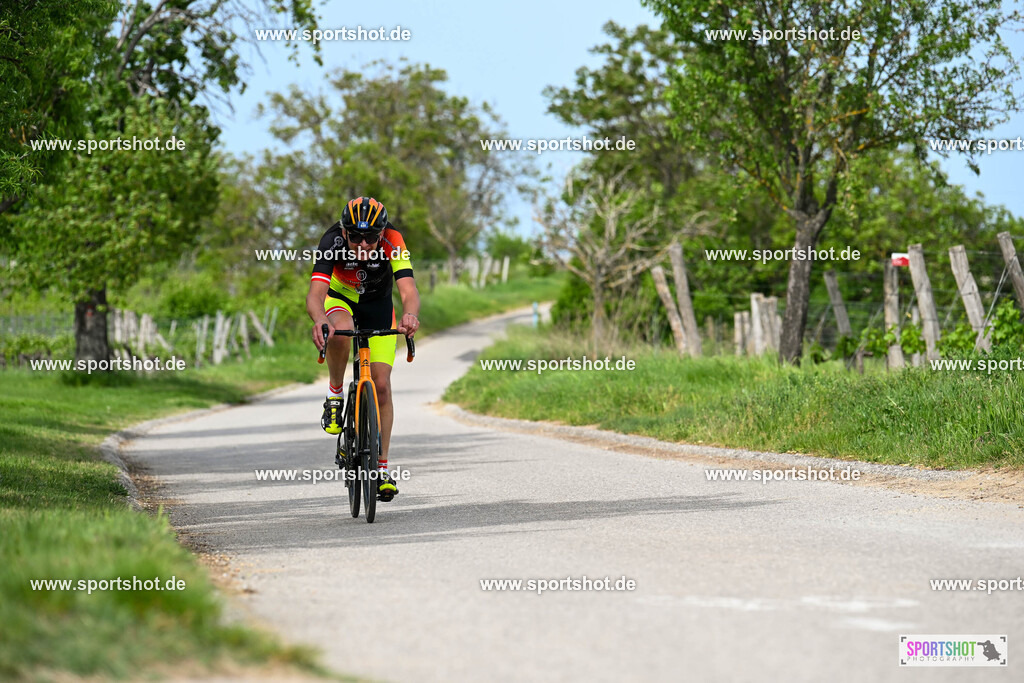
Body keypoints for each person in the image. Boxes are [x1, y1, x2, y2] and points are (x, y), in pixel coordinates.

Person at [306, 196, 420, 501]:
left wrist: (410, 315)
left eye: (370, 237)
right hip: (341, 299)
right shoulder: (331, 240)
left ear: (381, 234)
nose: (363, 244)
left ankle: (381, 469)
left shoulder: (394, 240)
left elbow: (408, 290)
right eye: (355, 236)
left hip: (378, 306)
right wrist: (319, 321)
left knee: (381, 386)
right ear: (344, 233)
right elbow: (315, 295)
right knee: (340, 332)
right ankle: (334, 394)